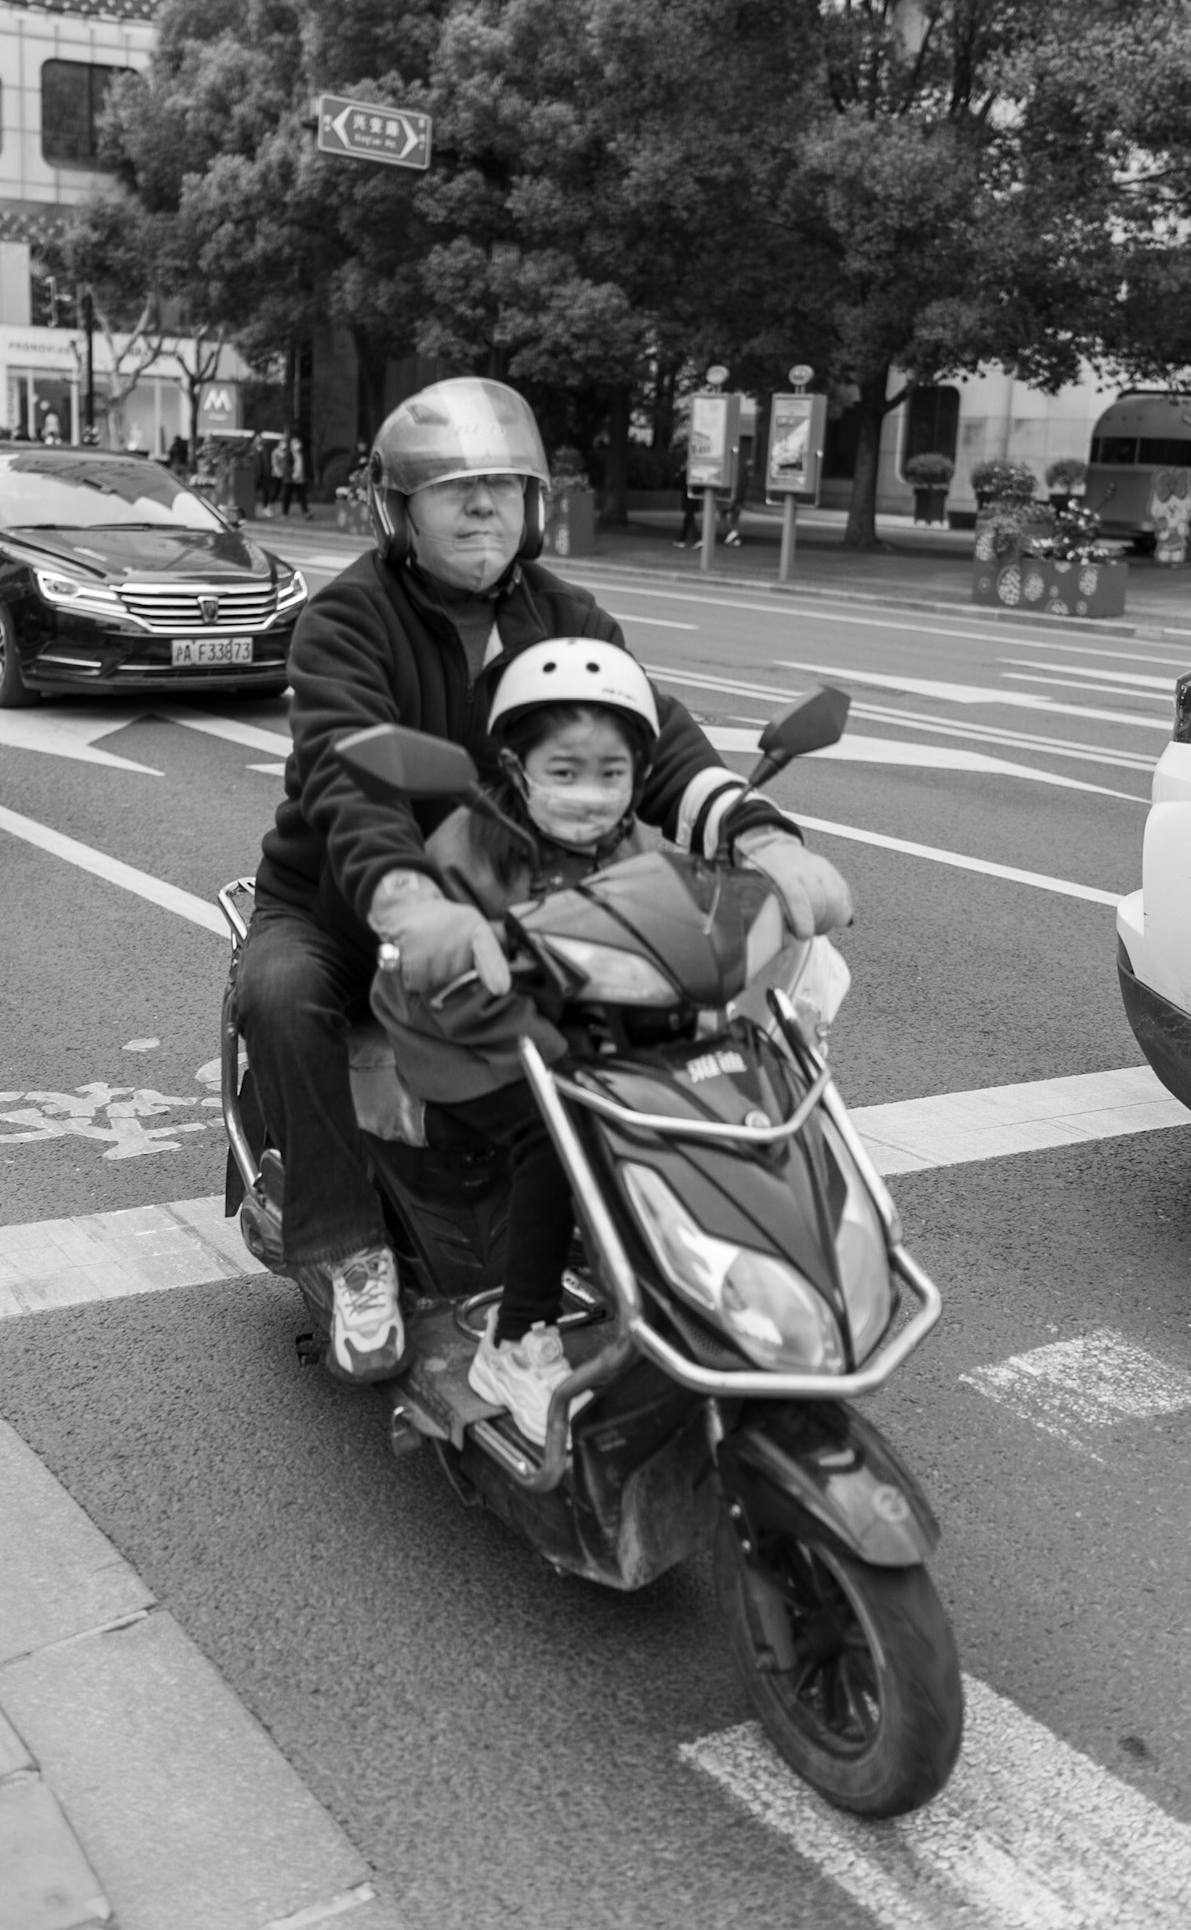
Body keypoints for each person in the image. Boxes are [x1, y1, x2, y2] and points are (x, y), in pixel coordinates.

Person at [234, 375, 852, 1386]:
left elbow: (653, 739)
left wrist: (766, 841)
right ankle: (348, 1247)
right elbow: (352, 781)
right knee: (281, 991)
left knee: (661, 1011)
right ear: (399, 508)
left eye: (504, 486)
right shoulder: (347, 619)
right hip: (342, 903)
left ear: (533, 505)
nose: (483, 506)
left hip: (528, 894)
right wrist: (409, 902)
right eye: (454, 488)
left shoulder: (566, 616)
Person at [372, 638, 663, 1442]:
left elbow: (679, 924)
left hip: (567, 1031)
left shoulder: (634, 844)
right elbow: (439, 987)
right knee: (561, 1126)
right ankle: (514, 1340)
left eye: (610, 773)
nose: (589, 795)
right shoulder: (467, 847)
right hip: (459, 1049)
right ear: (516, 767)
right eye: (564, 771)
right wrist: (561, 1051)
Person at [280, 433, 312, 520]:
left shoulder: (301, 454)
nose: (296, 444)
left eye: (297, 442)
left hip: (300, 479)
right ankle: (284, 514)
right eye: (294, 443)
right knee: (287, 497)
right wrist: (292, 474)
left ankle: (306, 513)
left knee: (302, 497)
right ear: (291, 444)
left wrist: (304, 476)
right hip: (290, 479)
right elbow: (286, 466)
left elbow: (304, 466)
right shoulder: (288, 454)